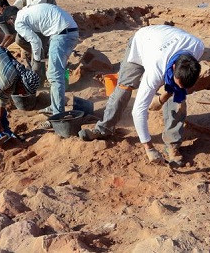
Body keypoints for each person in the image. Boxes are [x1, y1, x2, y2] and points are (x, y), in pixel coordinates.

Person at [78, 25, 203, 166]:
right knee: (124, 88)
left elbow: (177, 87)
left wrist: (162, 99)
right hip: (141, 43)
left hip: (164, 42)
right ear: (174, 67)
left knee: (178, 96)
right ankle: (104, 129)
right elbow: (138, 111)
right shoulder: (155, 70)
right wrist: (149, 148)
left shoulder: (198, 47)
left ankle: (172, 144)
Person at [2, 3, 79, 122]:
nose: (11, 25)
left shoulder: (19, 22)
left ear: (11, 18)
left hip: (62, 34)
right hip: (67, 30)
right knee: (54, 73)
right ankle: (54, 107)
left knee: (54, 75)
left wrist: (37, 61)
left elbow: (36, 41)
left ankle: (58, 115)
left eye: (9, 23)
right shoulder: (26, 11)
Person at [12, 0, 56, 82]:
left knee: (37, 46)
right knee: (21, 40)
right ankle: (41, 57)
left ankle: (39, 79)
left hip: (43, 17)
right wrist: (13, 8)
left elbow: (40, 1)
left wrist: (22, 13)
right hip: (29, 16)